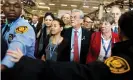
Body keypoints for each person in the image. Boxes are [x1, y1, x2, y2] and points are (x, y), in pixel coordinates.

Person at [7, 10, 133, 80]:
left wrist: (31, 63)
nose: (72, 19)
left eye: (75, 17)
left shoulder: (123, 61)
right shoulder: (66, 33)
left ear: (119, 30)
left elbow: (84, 73)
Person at [1, 0, 35, 71]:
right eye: (7, 5)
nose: (12, 8)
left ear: (21, 10)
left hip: (21, 71)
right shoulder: (5, 27)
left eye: (16, 6)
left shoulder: (24, 26)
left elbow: (18, 46)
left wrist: (3, 65)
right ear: (2, 8)